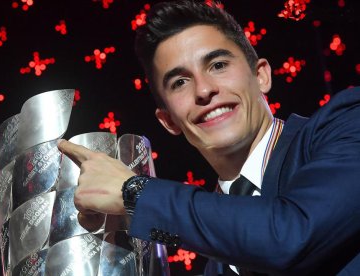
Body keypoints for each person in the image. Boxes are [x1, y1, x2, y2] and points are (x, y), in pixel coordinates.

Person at [57, 0, 360, 275]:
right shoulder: (212, 263)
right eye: (179, 82)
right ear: (168, 121)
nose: (203, 90)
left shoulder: (346, 125)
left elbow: (289, 237)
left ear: (261, 76)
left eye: (218, 65)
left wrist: (136, 194)